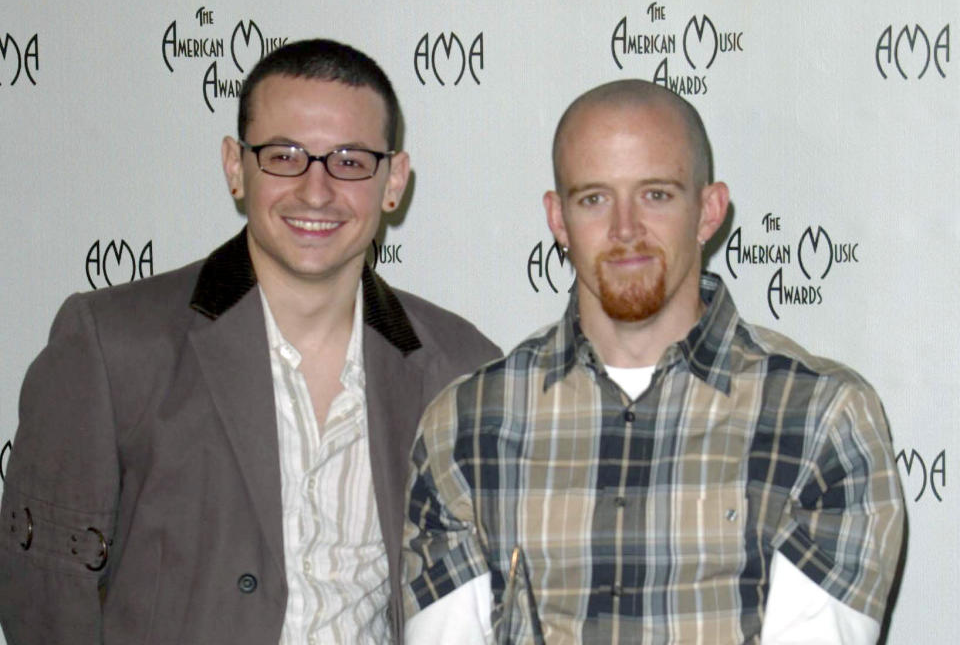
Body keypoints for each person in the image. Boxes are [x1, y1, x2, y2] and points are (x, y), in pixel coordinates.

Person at [0, 38, 500, 645]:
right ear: (237, 167)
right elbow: (46, 603)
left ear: (392, 181)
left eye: (348, 160)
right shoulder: (112, 347)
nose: (316, 191)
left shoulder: (461, 369)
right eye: (285, 156)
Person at [401, 80, 904, 644]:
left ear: (709, 210)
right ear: (558, 220)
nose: (625, 230)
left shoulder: (821, 419)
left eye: (656, 195)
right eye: (594, 198)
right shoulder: (464, 426)